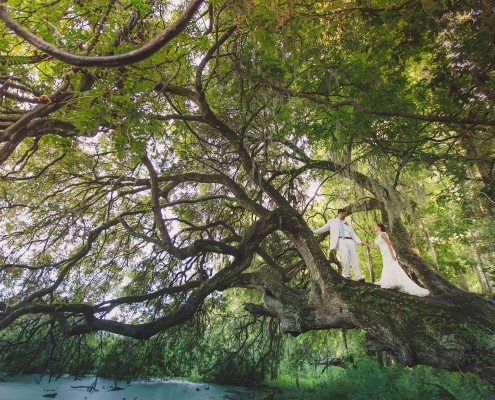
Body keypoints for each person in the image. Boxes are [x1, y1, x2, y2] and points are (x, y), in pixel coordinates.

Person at [365, 223, 430, 297]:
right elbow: (375, 247)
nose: (374, 227)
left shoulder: (383, 234)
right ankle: (390, 281)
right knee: (387, 267)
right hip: (384, 254)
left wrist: (392, 254)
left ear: (379, 227)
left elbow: (389, 244)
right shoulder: (377, 237)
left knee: (392, 266)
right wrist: (366, 244)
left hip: (389, 253)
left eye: (375, 226)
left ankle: (395, 282)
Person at [313, 209, 367, 281]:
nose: (345, 216)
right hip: (340, 240)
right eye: (344, 214)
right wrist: (313, 232)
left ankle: (359, 277)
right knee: (345, 257)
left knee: (355, 258)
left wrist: (359, 241)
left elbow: (353, 233)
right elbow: (323, 228)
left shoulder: (347, 223)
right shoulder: (332, 222)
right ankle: (347, 275)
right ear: (340, 213)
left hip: (350, 240)